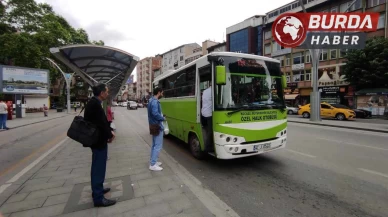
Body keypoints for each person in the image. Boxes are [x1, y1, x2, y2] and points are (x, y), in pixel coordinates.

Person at [84, 83, 116, 207]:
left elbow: (101, 122)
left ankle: (98, 189)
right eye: (106, 92)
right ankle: (98, 197)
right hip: (98, 141)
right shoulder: (95, 105)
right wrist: (110, 135)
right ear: (101, 93)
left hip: (96, 140)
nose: (107, 94)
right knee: (98, 167)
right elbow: (101, 124)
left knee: (98, 166)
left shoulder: (93, 102)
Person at [147, 87, 165, 171]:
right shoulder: (154, 102)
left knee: (154, 145)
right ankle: (153, 164)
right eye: (162, 92)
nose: (162, 94)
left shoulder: (151, 100)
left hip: (153, 125)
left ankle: (153, 161)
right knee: (157, 145)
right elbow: (155, 113)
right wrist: (162, 118)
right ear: (158, 92)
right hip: (157, 125)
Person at [201, 83, 213, 152]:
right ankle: (207, 147)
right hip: (209, 114)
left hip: (203, 113)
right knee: (210, 131)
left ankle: (206, 143)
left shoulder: (205, 91)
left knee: (207, 130)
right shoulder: (213, 91)